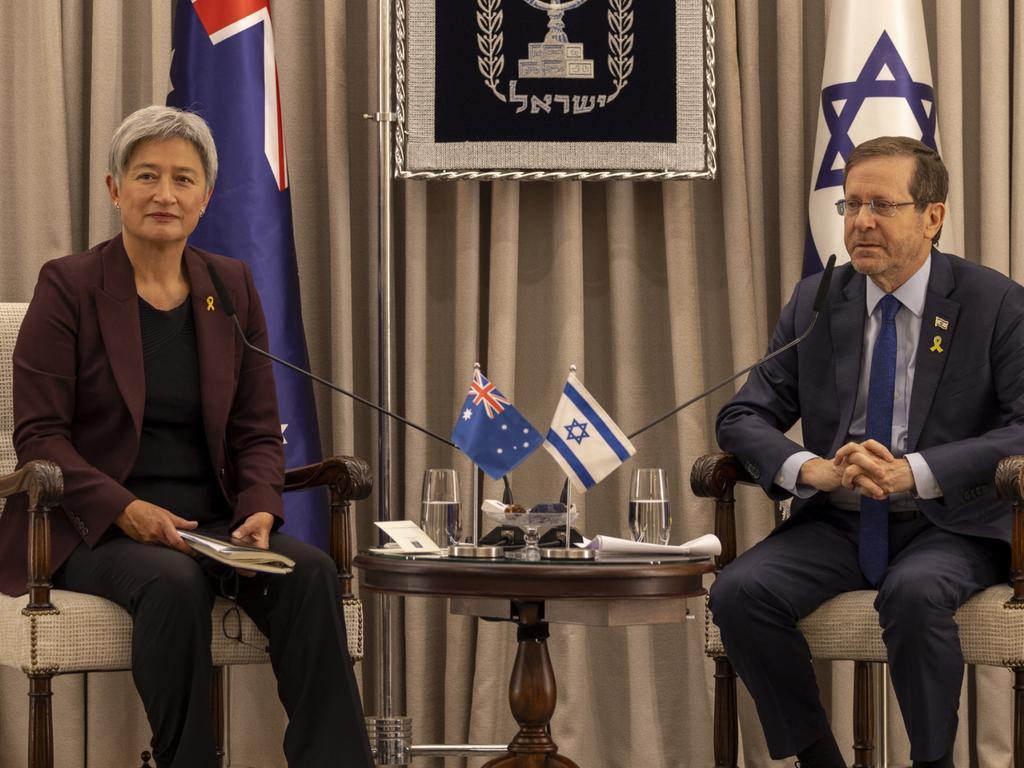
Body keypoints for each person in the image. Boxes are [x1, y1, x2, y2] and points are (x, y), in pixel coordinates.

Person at [0, 105, 375, 767]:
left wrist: (260, 506)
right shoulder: (70, 285)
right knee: (171, 581)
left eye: (182, 179)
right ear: (116, 189)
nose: (164, 194)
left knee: (309, 570)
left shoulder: (227, 287)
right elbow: (40, 438)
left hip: (217, 522)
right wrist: (126, 508)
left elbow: (259, 428)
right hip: (96, 527)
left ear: (205, 197)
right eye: (146, 176)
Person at [709, 136, 1024, 768]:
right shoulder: (817, 301)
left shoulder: (994, 303)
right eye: (850, 206)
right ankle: (818, 759)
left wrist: (917, 471)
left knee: (914, 593)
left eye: (882, 205)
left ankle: (931, 762)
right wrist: (811, 468)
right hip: (839, 520)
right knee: (739, 593)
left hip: (951, 523)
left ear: (932, 216)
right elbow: (743, 415)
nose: (861, 222)